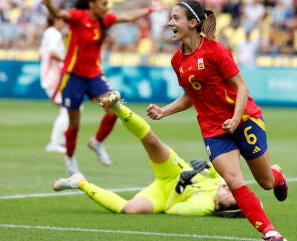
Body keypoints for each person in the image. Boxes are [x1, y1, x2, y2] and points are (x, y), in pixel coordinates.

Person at [146, 0, 288, 241]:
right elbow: (190, 96)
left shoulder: (216, 51)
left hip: (244, 119)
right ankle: (270, 233)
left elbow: (241, 87)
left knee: (265, 181)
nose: (170, 23)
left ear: (193, 23)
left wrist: (234, 119)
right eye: (170, 18)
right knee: (233, 180)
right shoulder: (177, 61)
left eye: (175, 18)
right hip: (213, 129)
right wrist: (163, 112)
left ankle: (278, 177)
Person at [53, 91, 244, 218]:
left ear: (219, 207)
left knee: (130, 210)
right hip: (175, 170)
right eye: (232, 192)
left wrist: (179, 188)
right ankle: (118, 106)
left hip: (164, 193)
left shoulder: (203, 207)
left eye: (229, 197)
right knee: (151, 141)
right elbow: (218, 174)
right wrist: (207, 166)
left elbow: (170, 208)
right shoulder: (222, 184)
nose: (228, 190)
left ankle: (79, 182)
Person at [40, 0, 162, 174]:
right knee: (74, 124)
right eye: (104, 4)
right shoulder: (78, 16)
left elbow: (128, 16)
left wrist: (150, 9)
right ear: (92, 4)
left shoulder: (104, 20)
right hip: (73, 77)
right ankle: (70, 159)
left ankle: (96, 143)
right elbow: (58, 14)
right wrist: (49, 4)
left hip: (94, 76)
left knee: (114, 109)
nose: (107, 7)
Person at [39, 15, 68, 153]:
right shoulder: (55, 34)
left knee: (68, 108)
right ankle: (55, 142)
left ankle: (60, 140)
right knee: (67, 109)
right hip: (54, 77)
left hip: (49, 75)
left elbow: (41, 54)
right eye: (62, 20)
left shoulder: (47, 33)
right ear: (56, 20)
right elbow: (52, 52)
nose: (63, 22)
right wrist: (66, 61)